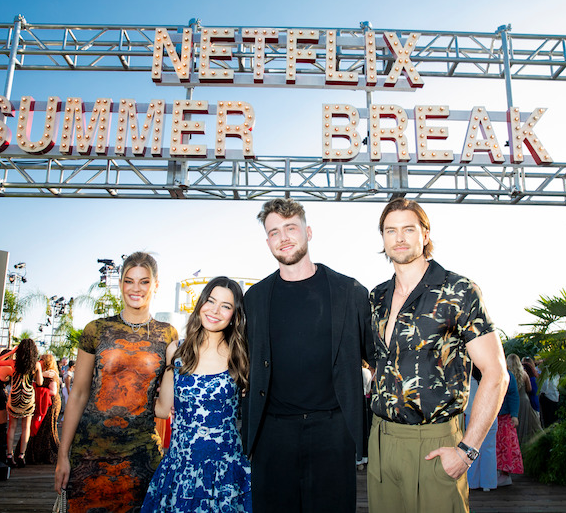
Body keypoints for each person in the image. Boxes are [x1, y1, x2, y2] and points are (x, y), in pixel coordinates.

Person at [367, 198, 509, 513]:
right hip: (381, 441)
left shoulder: (459, 290)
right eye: (390, 230)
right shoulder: (376, 297)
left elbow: (497, 374)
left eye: (408, 229)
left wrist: (467, 452)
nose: (399, 238)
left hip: (435, 443)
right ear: (383, 238)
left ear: (425, 234)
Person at [242, 198, 374, 513]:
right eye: (274, 232)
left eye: (291, 228)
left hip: (333, 432)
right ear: (267, 241)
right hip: (272, 434)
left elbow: (377, 358)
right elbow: (238, 360)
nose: (283, 237)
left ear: (308, 232)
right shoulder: (255, 298)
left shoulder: (350, 292)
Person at [55, 252, 179, 512]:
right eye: (129, 281)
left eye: (144, 281)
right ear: (121, 283)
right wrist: (62, 455)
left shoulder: (168, 334)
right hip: (89, 454)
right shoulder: (96, 330)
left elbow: (164, 404)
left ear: (156, 285)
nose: (136, 288)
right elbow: (78, 394)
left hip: (141, 457)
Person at [142, 277, 251, 512]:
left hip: (226, 474)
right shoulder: (176, 350)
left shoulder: (242, 356)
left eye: (225, 306)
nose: (215, 310)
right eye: (210, 301)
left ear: (235, 315)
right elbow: (162, 409)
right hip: (181, 472)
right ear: (200, 303)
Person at [2, 338, 44, 468]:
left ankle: (9, 455)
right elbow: (40, 382)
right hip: (27, 397)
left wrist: (11, 352)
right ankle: (21, 455)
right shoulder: (36, 365)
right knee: (26, 427)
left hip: (15, 396)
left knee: (12, 427)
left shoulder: (13, 363)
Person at [465, 367, 498, 492]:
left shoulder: (468, 378)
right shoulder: (491, 375)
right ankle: (488, 483)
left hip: (473, 415)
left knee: (472, 448)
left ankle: (472, 482)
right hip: (490, 414)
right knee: (489, 449)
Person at [25, 354, 61, 464]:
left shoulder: (50, 374)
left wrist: (39, 392)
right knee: (42, 427)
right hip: (44, 402)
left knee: (48, 427)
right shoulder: (44, 373)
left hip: (50, 403)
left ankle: (48, 453)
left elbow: (53, 391)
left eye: (41, 359)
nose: (39, 361)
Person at [507, 354, 542, 446]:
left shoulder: (507, 376)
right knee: (530, 423)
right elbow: (529, 389)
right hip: (524, 400)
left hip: (512, 402)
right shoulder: (524, 374)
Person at [495, 369, 523, 486]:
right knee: (497, 447)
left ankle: (505, 474)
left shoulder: (507, 375)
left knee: (505, 446)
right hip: (495, 416)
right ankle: (498, 472)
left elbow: (513, 395)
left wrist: (514, 415)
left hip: (504, 416)